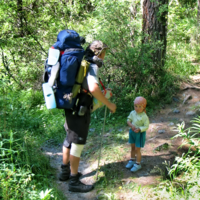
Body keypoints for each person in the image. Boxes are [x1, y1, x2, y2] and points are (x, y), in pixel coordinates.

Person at [59, 40, 117, 193]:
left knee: (68, 139)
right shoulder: (92, 65)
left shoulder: (81, 61)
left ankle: (65, 172)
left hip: (70, 105)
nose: (105, 55)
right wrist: (109, 104)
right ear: (100, 52)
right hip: (80, 110)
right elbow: (92, 87)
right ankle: (73, 181)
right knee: (77, 143)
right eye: (104, 52)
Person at [126, 96, 149, 172]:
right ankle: (132, 160)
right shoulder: (132, 113)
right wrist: (131, 125)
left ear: (143, 107)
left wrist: (139, 129)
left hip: (139, 134)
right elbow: (128, 120)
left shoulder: (144, 116)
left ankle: (138, 164)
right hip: (132, 132)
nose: (137, 108)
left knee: (137, 149)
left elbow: (146, 126)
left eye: (139, 106)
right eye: (136, 106)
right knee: (132, 147)